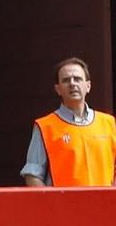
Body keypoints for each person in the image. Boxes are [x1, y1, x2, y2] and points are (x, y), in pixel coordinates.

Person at [22, 56, 115, 186]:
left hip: (104, 205)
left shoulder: (110, 124)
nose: (72, 83)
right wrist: (51, 205)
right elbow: (33, 176)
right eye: (66, 80)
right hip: (63, 206)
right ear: (58, 89)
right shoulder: (45, 126)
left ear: (88, 86)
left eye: (77, 79)